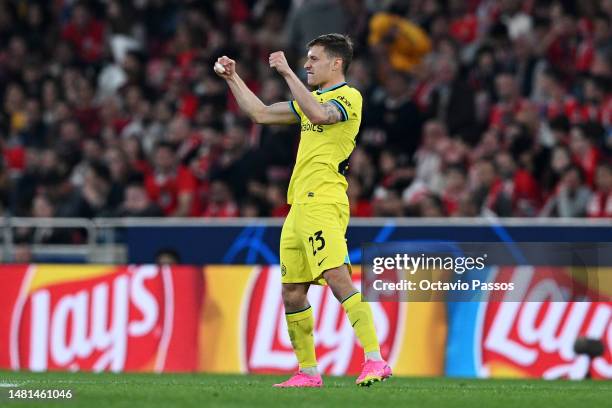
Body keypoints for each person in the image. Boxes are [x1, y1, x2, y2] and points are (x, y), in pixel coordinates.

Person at [215, 33, 391, 388]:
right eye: (306, 60)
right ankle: (308, 372)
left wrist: (286, 73)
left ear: (336, 63)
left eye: (313, 59)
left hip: (325, 199)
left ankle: (375, 359)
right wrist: (233, 78)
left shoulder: (348, 97)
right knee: (292, 290)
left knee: (337, 276)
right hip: (298, 205)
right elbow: (261, 113)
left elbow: (320, 114)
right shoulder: (312, 98)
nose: (307, 65)